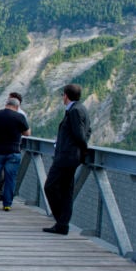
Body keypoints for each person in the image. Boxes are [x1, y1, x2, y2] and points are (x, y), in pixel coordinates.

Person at [43, 83, 92, 235]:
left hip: (66, 157)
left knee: (50, 187)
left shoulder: (74, 111)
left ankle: (62, 221)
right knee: (65, 191)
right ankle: (62, 224)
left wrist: (80, 150)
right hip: (70, 156)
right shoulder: (80, 108)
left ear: (66, 95)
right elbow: (88, 130)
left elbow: (79, 135)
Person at [0, 91, 28, 201]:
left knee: (6, 174)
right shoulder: (19, 115)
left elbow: (26, 131)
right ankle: (5, 197)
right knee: (7, 174)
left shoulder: (20, 115)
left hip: (9, 147)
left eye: (9, 100)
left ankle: (4, 195)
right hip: (12, 147)